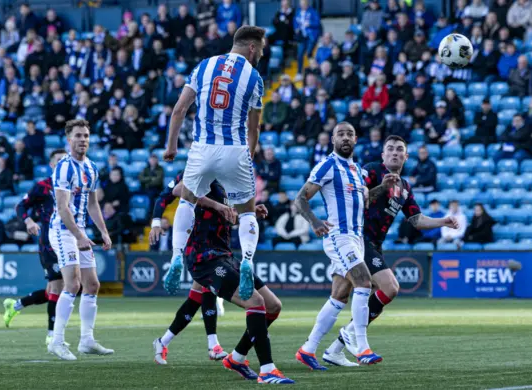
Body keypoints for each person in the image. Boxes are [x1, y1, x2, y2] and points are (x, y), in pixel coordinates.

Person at [323, 136, 459, 365]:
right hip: (357, 238)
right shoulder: (372, 170)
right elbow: (357, 195)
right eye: (390, 149)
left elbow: (415, 220)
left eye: (399, 150)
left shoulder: (404, 187)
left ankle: (333, 349)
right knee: (389, 287)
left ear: (406, 157)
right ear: (383, 155)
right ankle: (351, 336)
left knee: (342, 295)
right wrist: (380, 187)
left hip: (375, 243)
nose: (395, 153)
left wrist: (442, 221)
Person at [149, 175, 293, 384]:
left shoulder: (228, 179)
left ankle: (235, 357)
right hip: (203, 257)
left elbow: (227, 215)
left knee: (273, 306)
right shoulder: (200, 170)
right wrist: (156, 222)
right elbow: (179, 190)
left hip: (224, 255)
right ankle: (267, 369)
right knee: (254, 302)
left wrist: (249, 213)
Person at [163, 26, 266, 302]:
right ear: (252, 48)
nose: (262, 54)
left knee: (187, 200)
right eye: (262, 49)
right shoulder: (255, 78)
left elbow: (179, 110)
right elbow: (254, 129)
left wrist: (171, 146)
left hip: (202, 147)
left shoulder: (204, 66)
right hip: (234, 148)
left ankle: (175, 258)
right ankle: (246, 261)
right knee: (246, 213)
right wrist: (250, 154)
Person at [294, 122, 382, 369]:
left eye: (350, 134)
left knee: (340, 295)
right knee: (364, 283)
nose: (345, 138)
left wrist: (384, 187)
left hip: (356, 237)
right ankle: (362, 347)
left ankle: (308, 349)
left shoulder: (356, 170)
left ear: (355, 139)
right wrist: (314, 221)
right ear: (333, 139)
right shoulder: (327, 165)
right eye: (340, 134)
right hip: (339, 236)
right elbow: (300, 198)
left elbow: (363, 198)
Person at [47, 119, 113, 360]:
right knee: (72, 284)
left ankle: (86, 340)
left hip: (81, 232)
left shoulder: (92, 168)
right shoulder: (64, 167)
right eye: (78, 136)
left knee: (92, 284)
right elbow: (63, 209)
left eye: (86, 135)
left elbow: (94, 204)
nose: (83, 140)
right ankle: (56, 341)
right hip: (63, 230)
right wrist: (80, 237)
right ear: (69, 139)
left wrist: (103, 231)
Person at [2, 149, 68, 345]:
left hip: (67, 241)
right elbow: (20, 206)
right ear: (51, 164)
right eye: (58, 160)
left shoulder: (72, 186)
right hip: (49, 244)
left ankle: (15, 305)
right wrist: (29, 221)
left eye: (65, 160)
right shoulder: (43, 186)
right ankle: (52, 336)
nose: (62, 163)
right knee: (58, 288)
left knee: (55, 291)